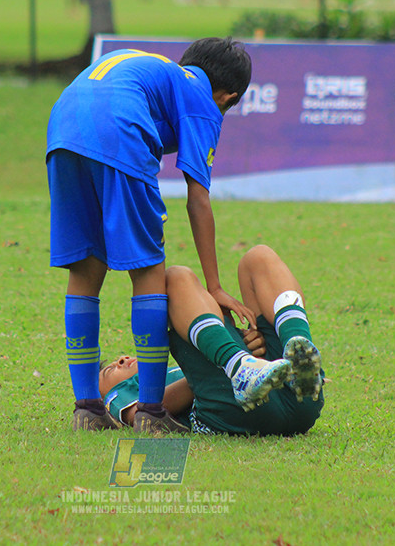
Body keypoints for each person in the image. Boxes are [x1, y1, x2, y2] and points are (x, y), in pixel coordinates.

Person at [46, 38, 253, 434]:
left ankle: (87, 408)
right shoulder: (203, 100)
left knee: (85, 270)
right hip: (120, 129)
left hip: (62, 130)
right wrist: (214, 287)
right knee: (148, 272)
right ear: (228, 97)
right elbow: (198, 199)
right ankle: (152, 412)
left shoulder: (156, 70)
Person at [100, 245, 325, 436]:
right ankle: (239, 366)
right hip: (236, 414)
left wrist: (253, 347)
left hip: (299, 397)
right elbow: (141, 414)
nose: (120, 360)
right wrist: (223, 362)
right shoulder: (115, 397)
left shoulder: (168, 370)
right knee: (175, 277)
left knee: (258, 257)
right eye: (109, 371)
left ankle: (297, 354)